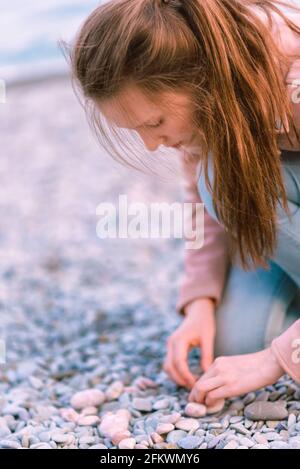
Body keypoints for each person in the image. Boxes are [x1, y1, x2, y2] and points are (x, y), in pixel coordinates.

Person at [64, 0, 300, 405]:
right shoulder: (207, 97)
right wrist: (199, 302)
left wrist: (276, 359)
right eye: (136, 130)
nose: (152, 144)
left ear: (202, 79)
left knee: (220, 178)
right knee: (235, 343)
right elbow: (202, 208)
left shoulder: (291, 77)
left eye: (154, 123)